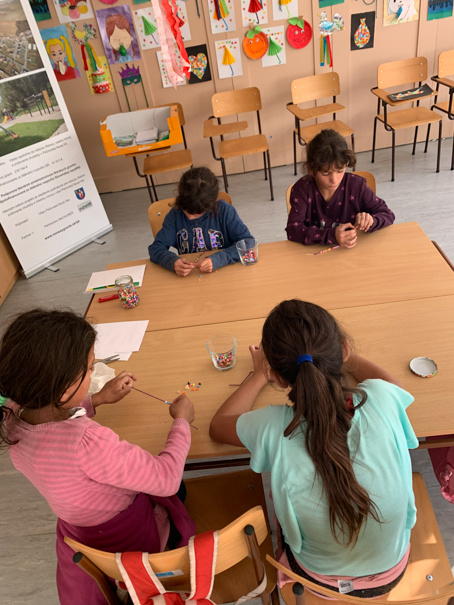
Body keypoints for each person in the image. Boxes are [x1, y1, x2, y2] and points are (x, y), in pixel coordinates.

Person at [210, 299, 417, 598]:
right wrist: (339, 355)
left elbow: (218, 426)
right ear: (344, 349)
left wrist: (259, 374)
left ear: (278, 376)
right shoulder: (382, 398)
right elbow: (396, 387)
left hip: (318, 578)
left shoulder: (272, 427)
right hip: (390, 573)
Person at [0, 309, 196, 605]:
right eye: (91, 368)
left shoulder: (12, 417)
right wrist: (181, 421)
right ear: (63, 390)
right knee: (178, 487)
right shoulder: (88, 442)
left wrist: (97, 399)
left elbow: (51, 428)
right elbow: (166, 478)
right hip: (133, 541)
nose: (93, 372)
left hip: (84, 534)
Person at [286, 129, 395, 249]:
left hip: (353, 251)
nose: (334, 180)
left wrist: (371, 221)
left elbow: (387, 214)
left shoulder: (357, 186)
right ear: (311, 169)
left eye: (340, 171)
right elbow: (293, 229)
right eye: (326, 173)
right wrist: (330, 235)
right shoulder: (302, 190)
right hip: (316, 253)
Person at [148, 166, 253, 277]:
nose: (190, 217)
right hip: (191, 278)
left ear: (214, 202)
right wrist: (172, 262)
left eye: (198, 213)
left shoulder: (225, 211)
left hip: (225, 274)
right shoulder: (175, 215)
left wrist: (218, 259)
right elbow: (155, 249)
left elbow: (247, 243)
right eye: (186, 210)